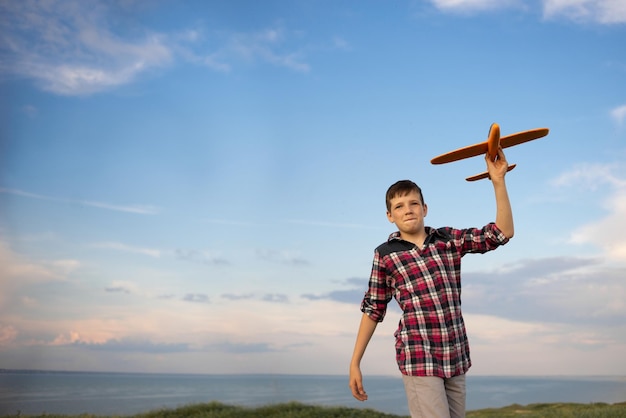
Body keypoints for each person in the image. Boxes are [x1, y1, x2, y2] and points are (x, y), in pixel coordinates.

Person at [349, 148, 514, 418]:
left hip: (456, 354)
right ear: (390, 216)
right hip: (419, 354)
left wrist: (498, 180)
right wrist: (355, 362)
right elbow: (373, 309)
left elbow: (501, 233)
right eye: (399, 206)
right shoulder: (386, 254)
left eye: (414, 203)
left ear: (425, 208)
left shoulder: (447, 240)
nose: (408, 210)